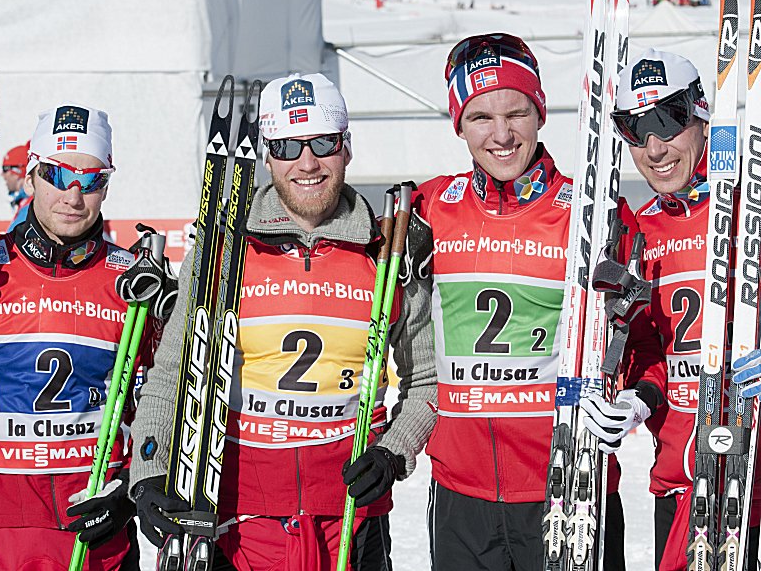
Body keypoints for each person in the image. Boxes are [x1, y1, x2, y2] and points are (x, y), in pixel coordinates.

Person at [129, 73, 437, 570]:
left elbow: (427, 380)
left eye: (323, 142)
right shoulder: (222, 251)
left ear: (347, 147)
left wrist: (394, 451)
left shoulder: (388, 253)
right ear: (267, 156)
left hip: (351, 520)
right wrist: (149, 470)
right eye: (288, 146)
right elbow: (172, 373)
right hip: (236, 520)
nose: (307, 162)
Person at [400, 32, 667, 570]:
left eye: (517, 113)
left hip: (571, 486)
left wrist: (637, 400)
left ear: (540, 113)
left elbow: (647, 344)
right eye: (481, 117)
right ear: (459, 124)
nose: (502, 135)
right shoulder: (430, 209)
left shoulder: (594, 215)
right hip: (461, 497)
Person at [0, 103, 162, 570]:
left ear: (106, 187)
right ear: (31, 176)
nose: (73, 196)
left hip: (98, 531)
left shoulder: (133, 282)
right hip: (3, 529)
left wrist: (132, 489)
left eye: (91, 180)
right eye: (57, 174)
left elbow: (163, 400)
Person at [592, 48, 761, 570]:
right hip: (682, 481)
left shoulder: (751, 210)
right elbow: (649, 353)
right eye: (636, 129)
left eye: (667, 121)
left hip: (752, 484)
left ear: (702, 115)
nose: (655, 147)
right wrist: (639, 398)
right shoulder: (641, 231)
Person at [0, 140, 33, 231]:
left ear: (17, 171)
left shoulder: (29, 208)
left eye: (5, 169)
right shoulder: (24, 202)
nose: (2, 174)